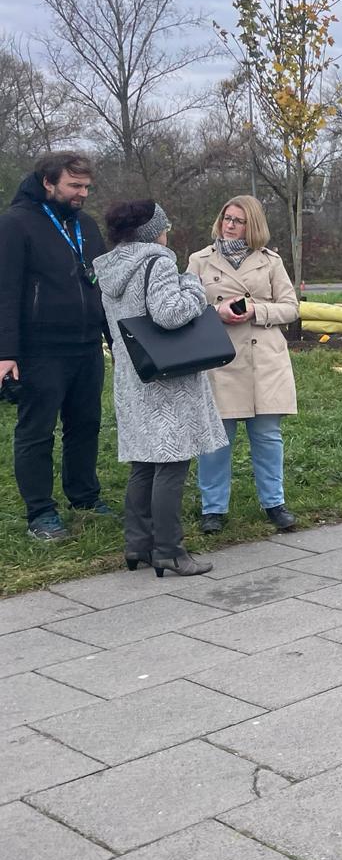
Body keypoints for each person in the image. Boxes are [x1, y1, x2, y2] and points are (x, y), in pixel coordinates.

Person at [93, 200, 226, 577]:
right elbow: (170, 314)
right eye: (164, 224)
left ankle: (138, 545)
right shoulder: (158, 261)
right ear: (151, 231)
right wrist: (194, 287)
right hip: (168, 380)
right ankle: (169, 550)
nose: (168, 229)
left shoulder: (111, 267)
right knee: (171, 463)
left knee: (144, 464)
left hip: (134, 375)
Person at [0, 151, 112, 541]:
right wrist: (6, 352)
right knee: (37, 430)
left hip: (87, 345)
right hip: (40, 348)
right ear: (48, 183)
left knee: (86, 424)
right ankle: (41, 512)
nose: (83, 193)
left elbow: (103, 287)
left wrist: (114, 338)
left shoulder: (86, 225)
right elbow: (6, 291)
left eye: (87, 186)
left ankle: (85, 497)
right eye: (74, 186)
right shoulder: (15, 224)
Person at [187, 195, 300, 535]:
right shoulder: (199, 261)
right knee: (216, 439)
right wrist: (216, 312)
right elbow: (185, 307)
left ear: (253, 226)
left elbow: (291, 307)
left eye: (238, 220)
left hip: (264, 359)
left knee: (267, 437)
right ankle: (213, 508)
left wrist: (256, 310)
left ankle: (275, 503)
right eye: (227, 218)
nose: (230, 225)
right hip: (220, 358)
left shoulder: (270, 261)